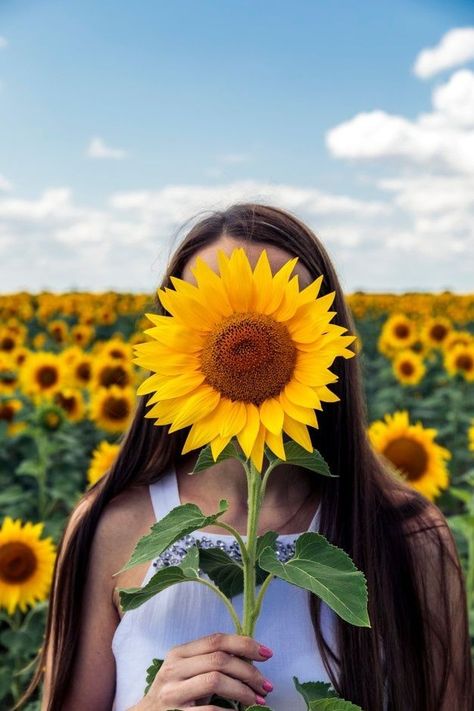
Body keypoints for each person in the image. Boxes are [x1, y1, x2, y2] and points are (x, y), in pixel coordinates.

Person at [19, 203, 471, 710]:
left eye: (283, 305)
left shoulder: (405, 538)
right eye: (206, 308)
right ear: (176, 327)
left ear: (325, 331)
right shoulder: (113, 528)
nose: (248, 329)